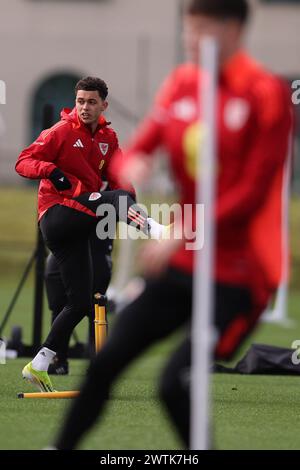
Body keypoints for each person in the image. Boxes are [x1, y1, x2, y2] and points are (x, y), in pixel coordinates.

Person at [52, 0, 293, 449]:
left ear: (234, 29)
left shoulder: (266, 94)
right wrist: (134, 166)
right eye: (188, 29)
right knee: (106, 363)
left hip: (242, 276)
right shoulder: (183, 83)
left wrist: (180, 233)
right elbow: (139, 148)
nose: (191, 40)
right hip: (185, 264)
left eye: (202, 30)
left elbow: (253, 192)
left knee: (173, 382)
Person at [15, 76, 167, 392]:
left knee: (82, 301)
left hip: (81, 220)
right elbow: (24, 161)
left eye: (91, 102)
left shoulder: (108, 138)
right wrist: (50, 171)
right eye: (81, 101)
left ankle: (40, 363)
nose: (84, 107)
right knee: (114, 200)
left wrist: (129, 202)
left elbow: (121, 178)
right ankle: (156, 231)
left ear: (103, 105)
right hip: (57, 215)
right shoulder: (61, 131)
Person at [45, 235, 113, 375]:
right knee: (58, 305)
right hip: (62, 252)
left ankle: (99, 363)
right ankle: (58, 360)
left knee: (95, 308)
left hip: (96, 253)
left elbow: (124, 212)